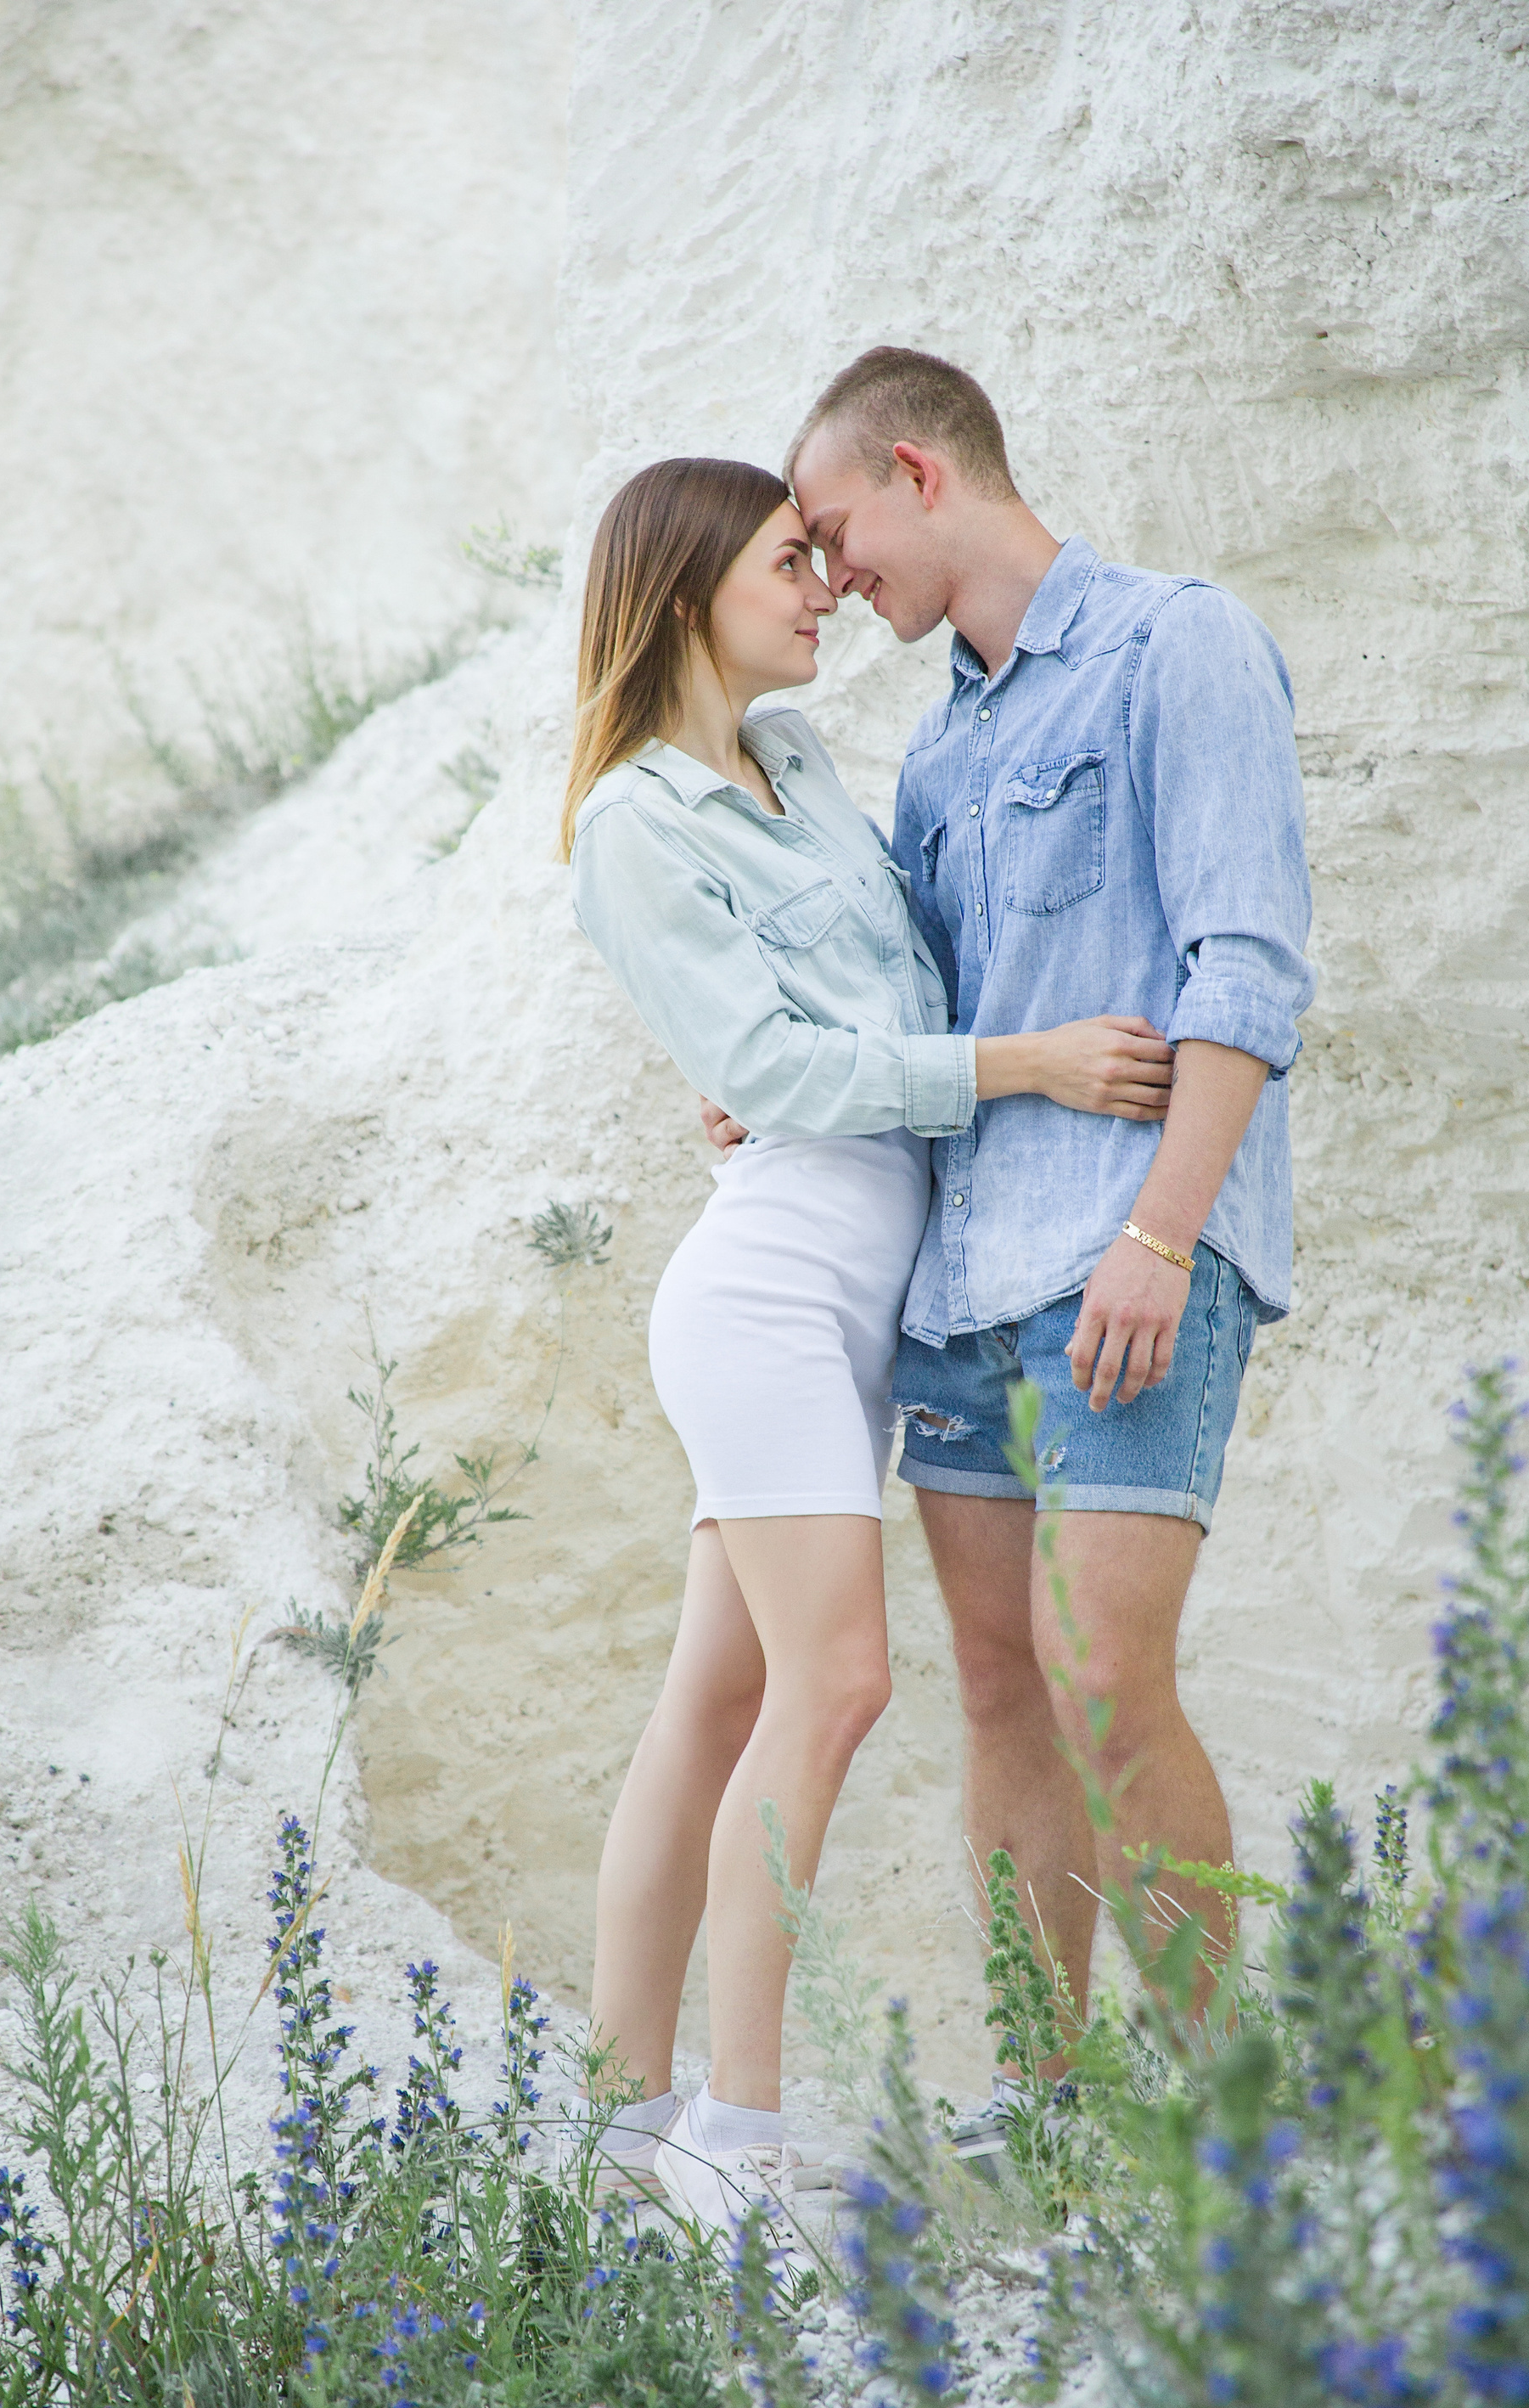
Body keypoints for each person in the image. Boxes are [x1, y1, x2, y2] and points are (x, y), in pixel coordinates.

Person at [560, 456, 1177, 2236]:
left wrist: (807, 1069)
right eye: (789, 561)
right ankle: (738, 2137)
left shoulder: (804, 765)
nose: (824, 588)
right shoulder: (632, 824)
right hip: (769, 1292)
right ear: (688, 590)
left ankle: (620, 2126)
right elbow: (776, 1065)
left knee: (718, 1697)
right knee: (834, 1686)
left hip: (851, 1302)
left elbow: (865, 1004)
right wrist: (1026, 1064)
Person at [709, 347, 1314, 2152]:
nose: (830, 579)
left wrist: (1161, 1236)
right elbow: (919, 1016)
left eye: (833, 532)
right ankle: (1045, 2105)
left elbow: (1245, 967)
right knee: (1001, 1693)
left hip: (1125, 1262)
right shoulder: (942, 751)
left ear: (918, 471)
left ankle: (1237, 2131)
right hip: (961, 1288)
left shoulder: (1175, 646)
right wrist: (777, 1084)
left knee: (1107, 1682)